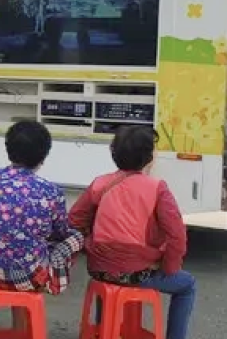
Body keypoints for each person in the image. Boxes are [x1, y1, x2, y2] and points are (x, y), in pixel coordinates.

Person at [69, 126, 194, 339]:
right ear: (149, 157)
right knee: (187, 286)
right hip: (138, 273)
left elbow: (75, 220)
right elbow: (176, 234)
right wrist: (169, 267)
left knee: (108, 287)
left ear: (114, 153)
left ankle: (105, 330)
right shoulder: (157, 188)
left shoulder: (100, 183)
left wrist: (93, 247)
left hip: (99, 270)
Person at [0, 121, 84, 330]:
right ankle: (24, 321)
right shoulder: (49, 191)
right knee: (76, 238)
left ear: (8, 149)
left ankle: (17, 324)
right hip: (27, 275)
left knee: (14, 244)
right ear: (44, 156)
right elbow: (60, 232)